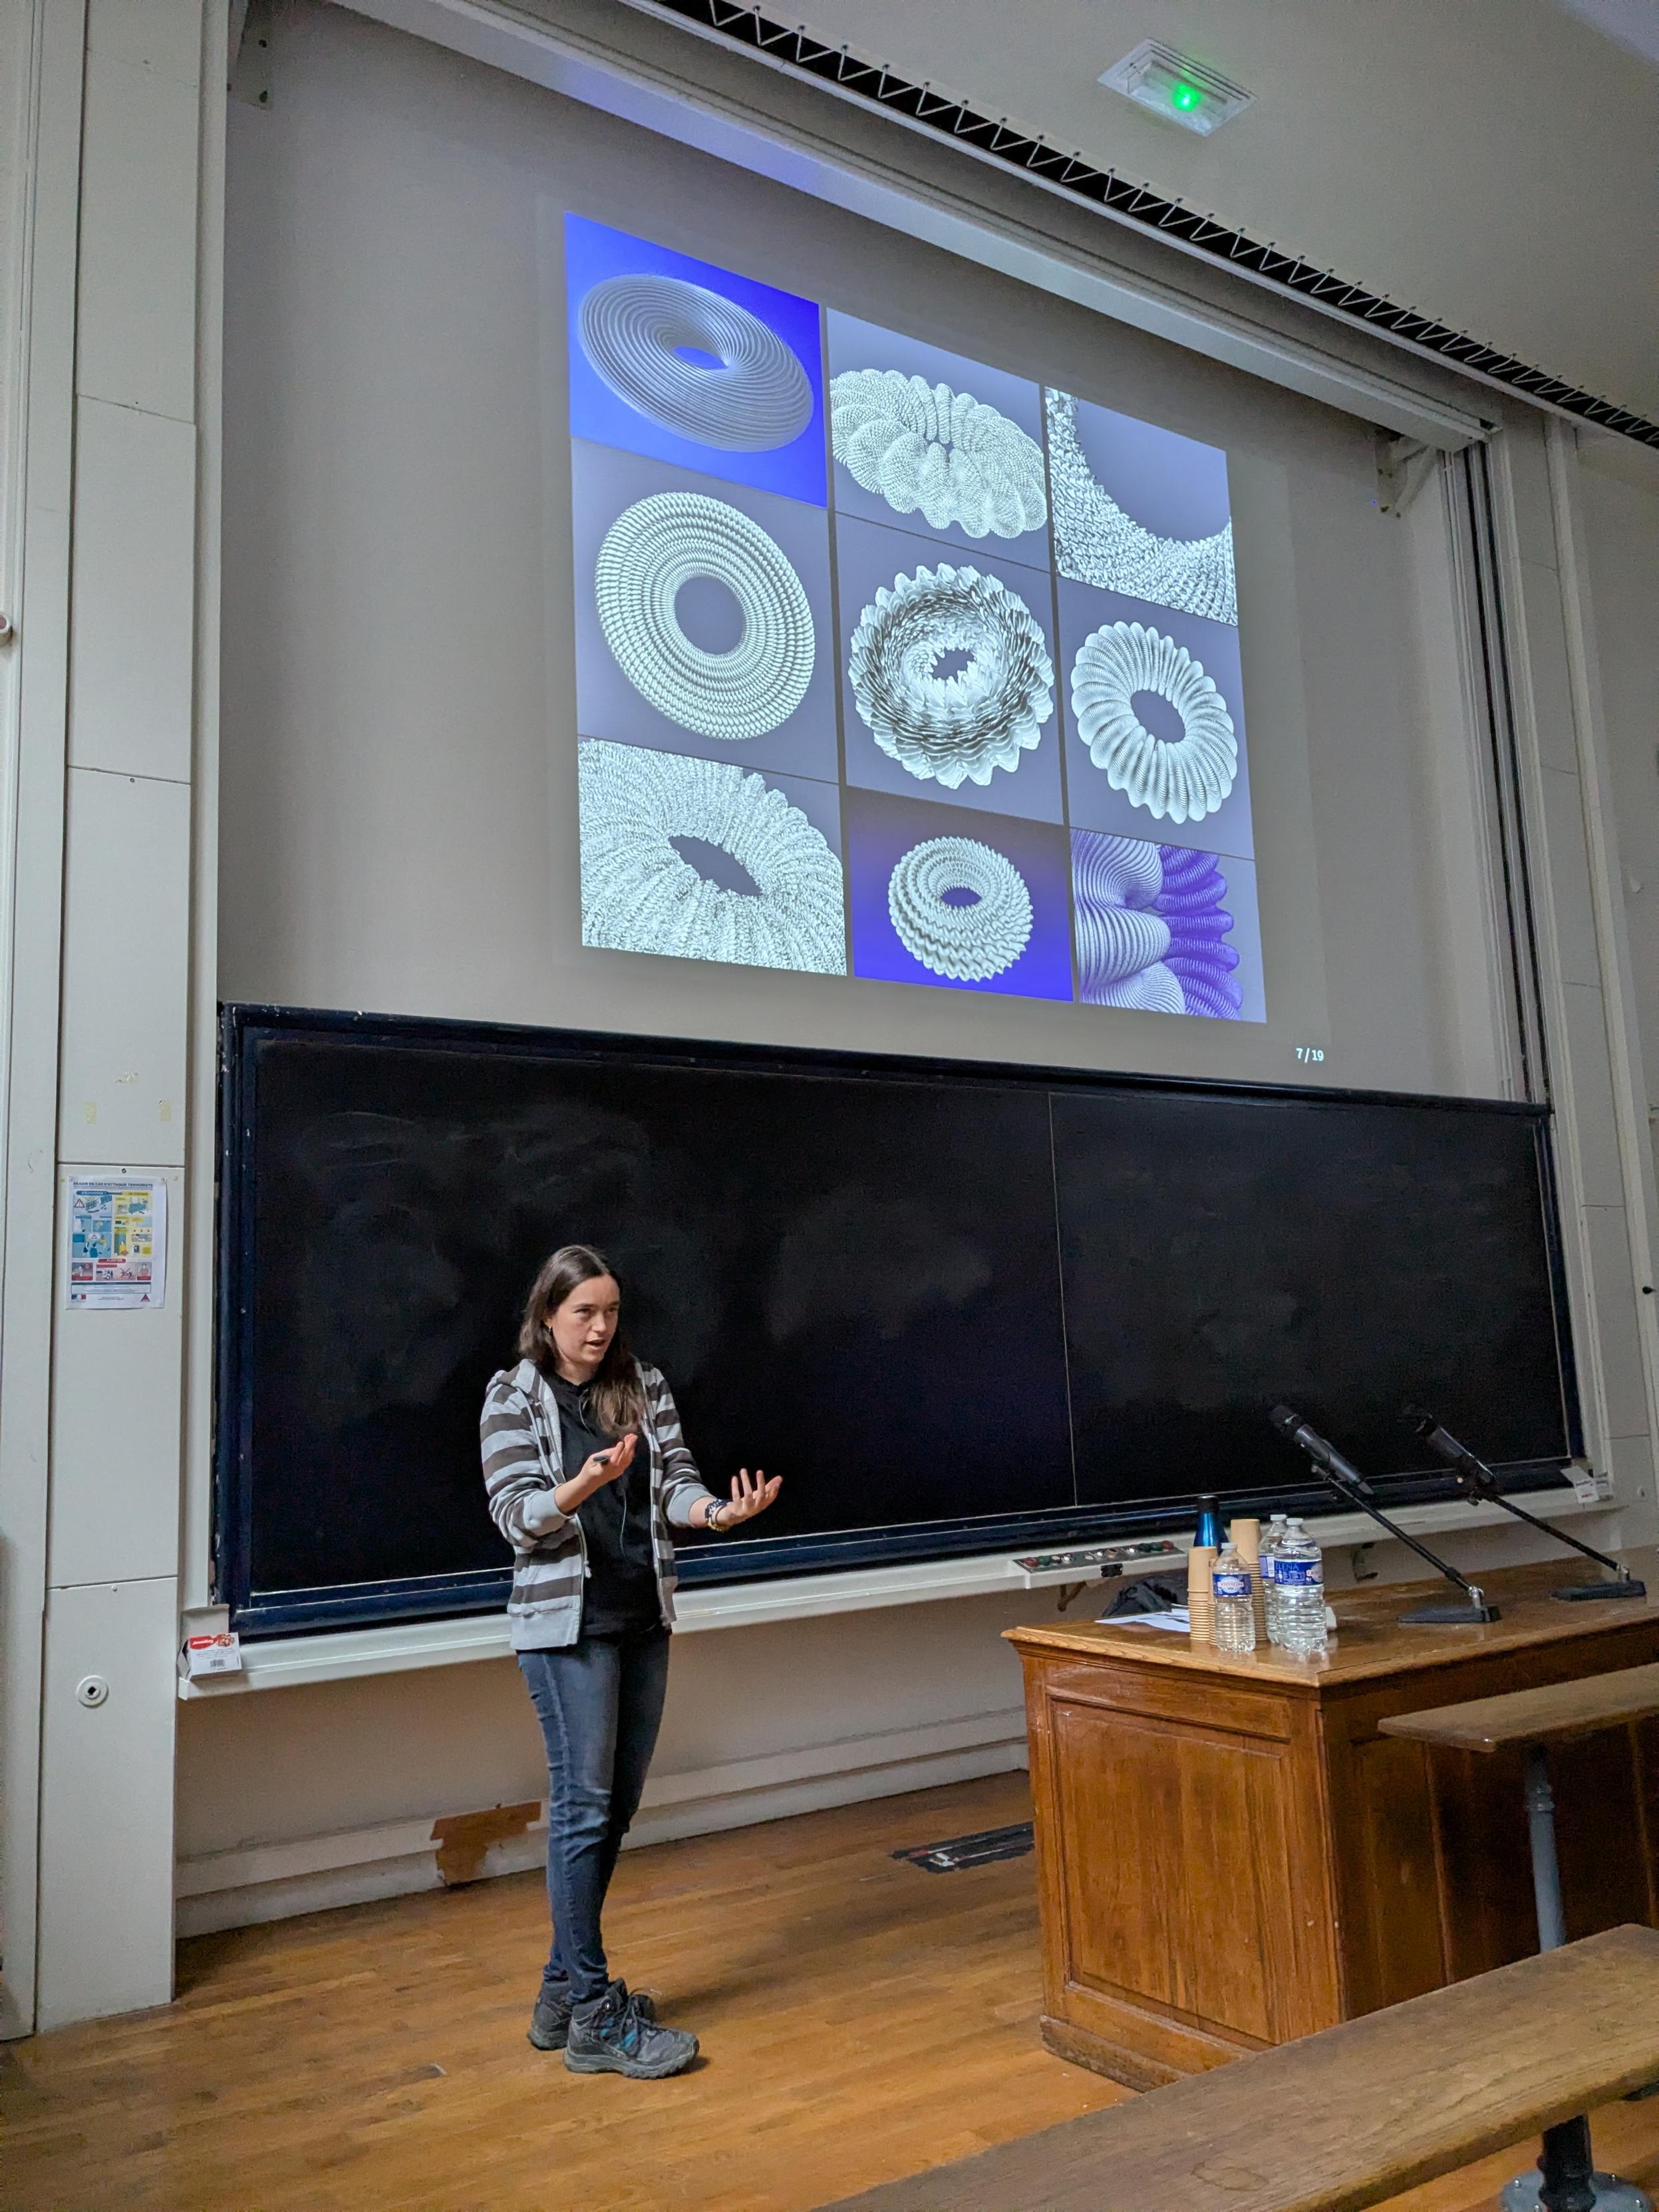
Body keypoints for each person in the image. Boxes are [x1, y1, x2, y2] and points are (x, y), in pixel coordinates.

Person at [480, 1243, 781, 2080]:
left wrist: (718, 1513)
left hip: (643, 1618)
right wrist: (581, 1485)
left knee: (613, 1810)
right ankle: (592, 2014)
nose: (600, 1327)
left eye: (610, 1311)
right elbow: (515, 1514)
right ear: (548, 1315)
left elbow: (676, 1484)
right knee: (582, 1810)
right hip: (565, 1630)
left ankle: (560, 1994)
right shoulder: (513, 1395)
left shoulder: (642, 1385)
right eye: (584, 1312)